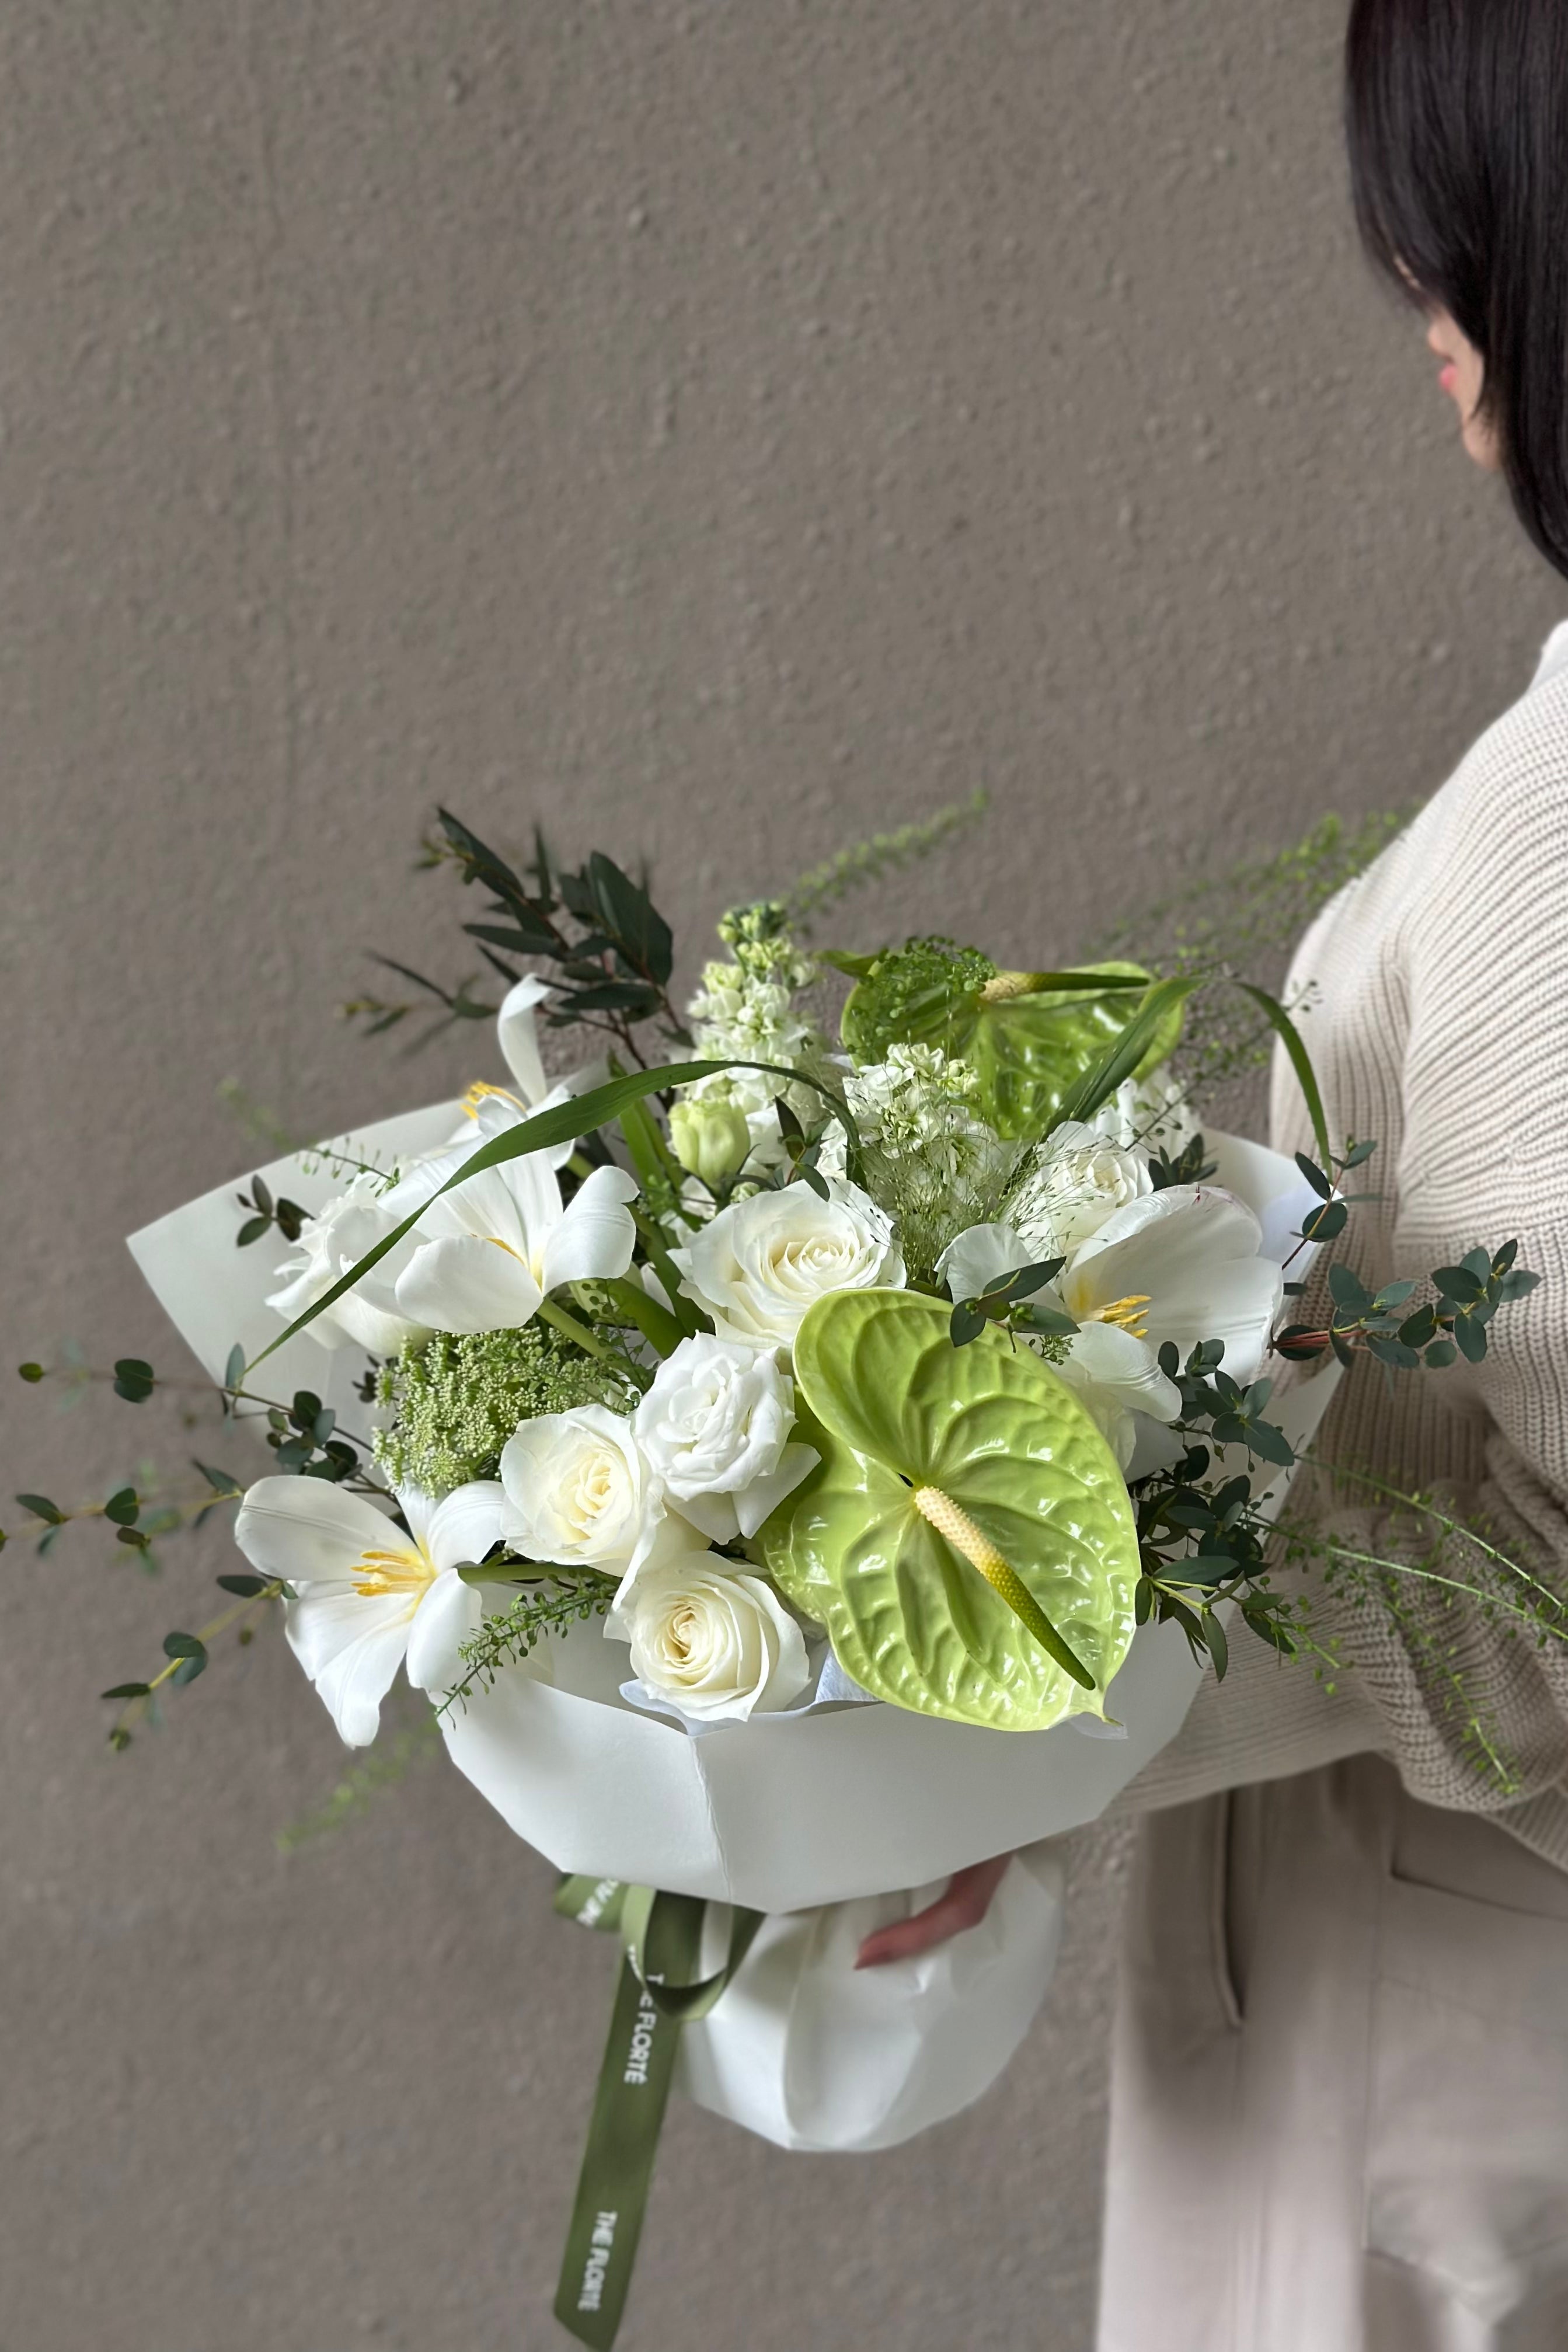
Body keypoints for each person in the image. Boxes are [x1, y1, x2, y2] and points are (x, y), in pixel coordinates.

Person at [860, 2, 1568, 2343]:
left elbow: (1545, 1603)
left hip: (1455, 2038)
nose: (1443, 349)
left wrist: (1015, 1670)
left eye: (1460, 265)